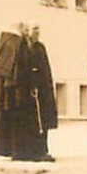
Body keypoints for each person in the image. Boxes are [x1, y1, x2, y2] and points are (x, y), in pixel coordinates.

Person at [0, 23, 40, 161]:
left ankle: (8, 150)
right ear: (21, 30)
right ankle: (21, 152)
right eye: (27, 30)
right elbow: (21, 70)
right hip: (18, 92)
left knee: (7, 120)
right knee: (20, 120)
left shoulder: (4, 42)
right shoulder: (19, 43)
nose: (28, 33)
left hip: (4, 93)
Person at [25, 25, 58, 162]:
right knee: (33, 122)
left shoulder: (40, 47)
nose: (37, 33)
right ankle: (33, 151)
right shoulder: (25, 47)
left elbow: (45, 69)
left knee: (43, 121)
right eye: (34, 30)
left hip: (43, 90)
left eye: (39, 30)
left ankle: (43, 149)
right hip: (30, 91)